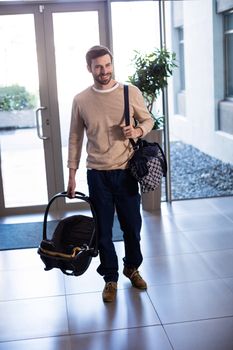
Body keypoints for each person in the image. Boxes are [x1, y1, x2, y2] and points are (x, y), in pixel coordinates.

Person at [67, 45, 153, 302]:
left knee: (132, 228)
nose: (104, 71)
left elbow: (148, 120)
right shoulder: (81, 100)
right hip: (97, 174)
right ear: (89, 68)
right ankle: (110, 278)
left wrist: (137, 131)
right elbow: (74, 138)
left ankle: (132, 267)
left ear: (112, 64)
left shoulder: (129, 92)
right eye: (98, 67)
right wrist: (72, 174)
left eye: (107, 65)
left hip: (126, 171)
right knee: (103, 231)